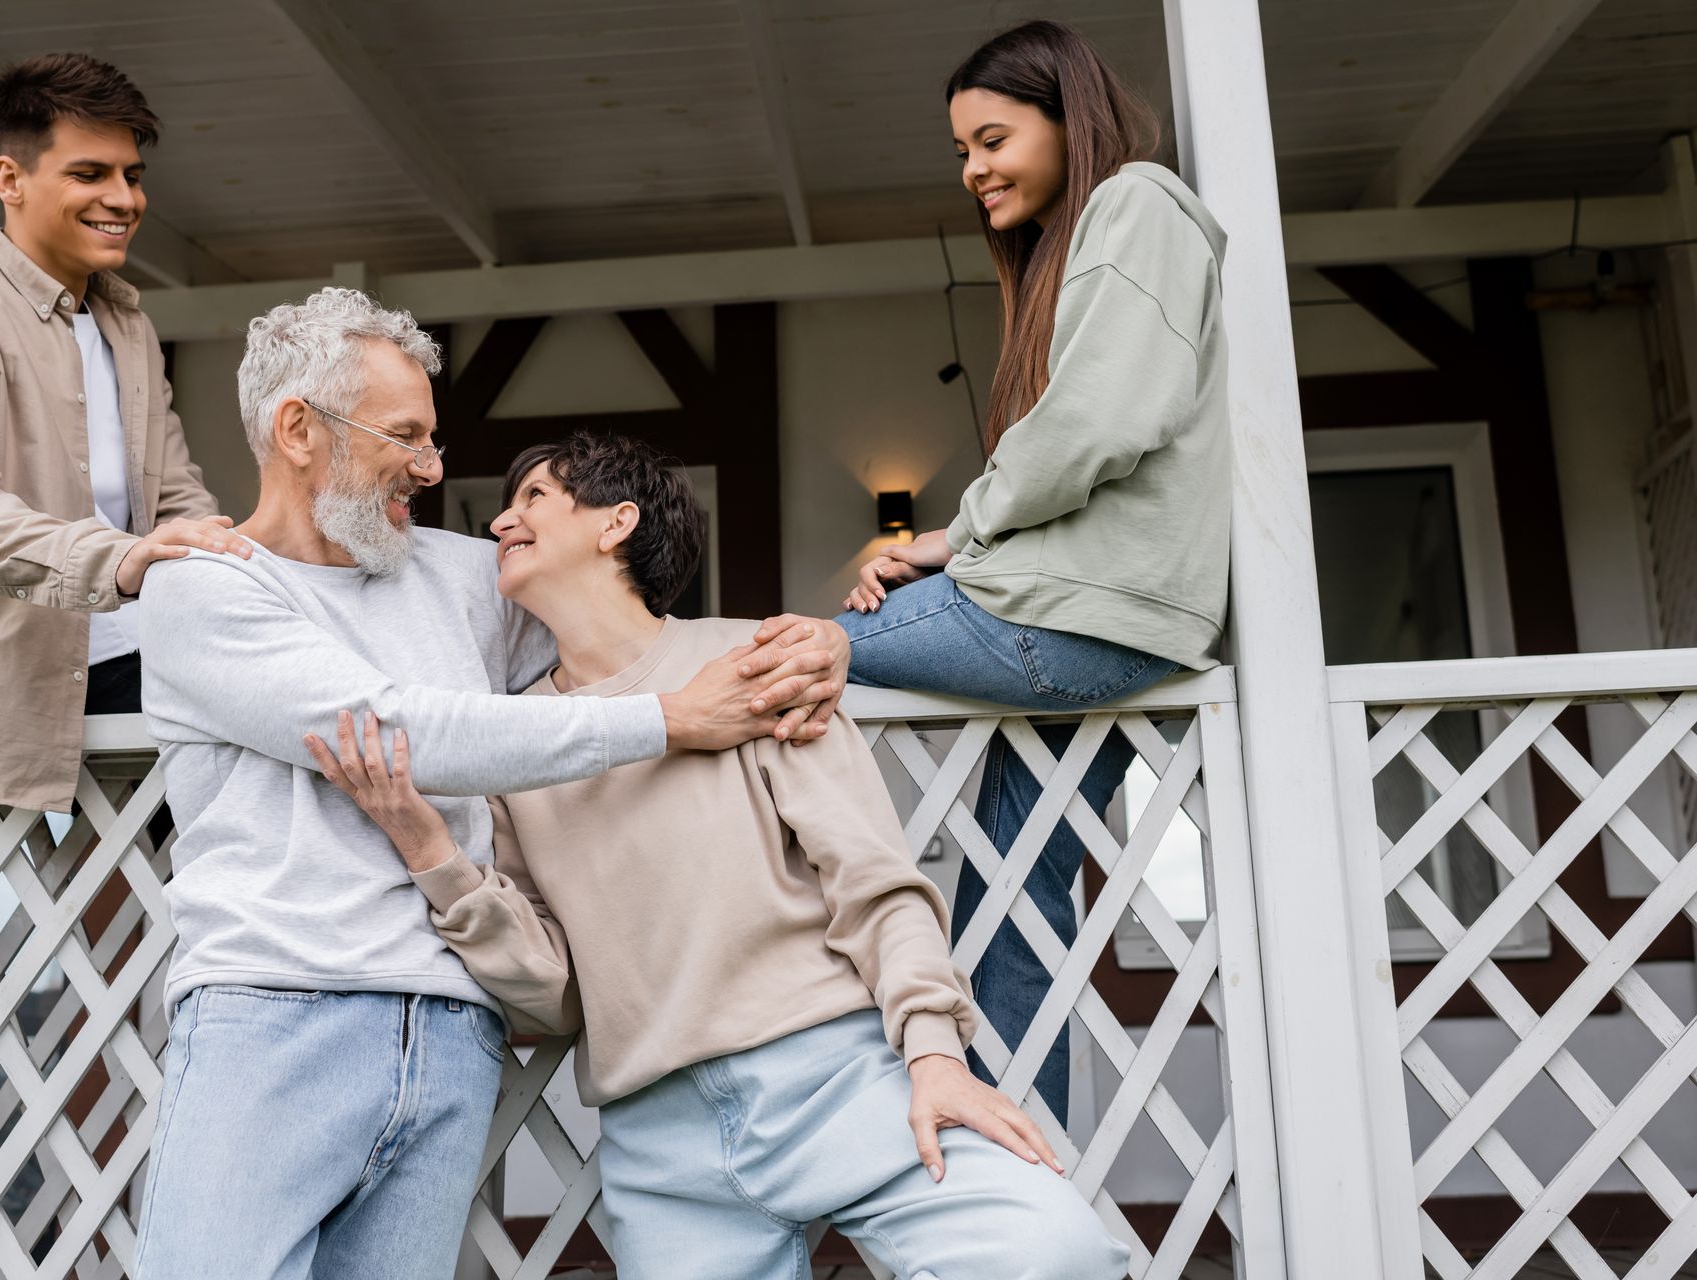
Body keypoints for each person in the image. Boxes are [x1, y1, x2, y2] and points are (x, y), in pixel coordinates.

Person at [130, 291, 850, 1280]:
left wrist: (824, 639)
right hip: (274, 1013)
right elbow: (389, 729)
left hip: (453, 1028)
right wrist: (669, 721)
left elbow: (624, 636)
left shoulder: (471, 577)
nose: (431, 467)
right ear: (298, 429)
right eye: (406, 436)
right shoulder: (204, 587)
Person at [309, 432, 1131, 1280]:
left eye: (535, 499)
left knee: (1054, 1254)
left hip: (836, 1079)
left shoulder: (759, 663)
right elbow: (553, 993)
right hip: (660, 1145)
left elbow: (875, 886)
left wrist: (934, 1055)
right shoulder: (519, 738)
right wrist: (430, 849)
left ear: (615, 522)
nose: (503, 522)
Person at [835, 20, 1232, 1127]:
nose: (975, 171)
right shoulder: (1094, 234)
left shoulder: (1138, 202)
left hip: (1063, 618)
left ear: (1072, 118)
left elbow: (1102, 417)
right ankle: (1026, 1174)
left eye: (995, 138)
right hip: (1104, 625)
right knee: (1015, 898)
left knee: (772, 659)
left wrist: (948, 542)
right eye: (963, 152)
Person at [0, 52, 250, 812]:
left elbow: (178, 498)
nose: (123, 198)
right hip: (19, 691)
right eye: (90, 174)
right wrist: (125, 562)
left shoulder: (126, 325)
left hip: (153, 657)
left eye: (131, 175)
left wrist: (227, 555)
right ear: (11, 180)